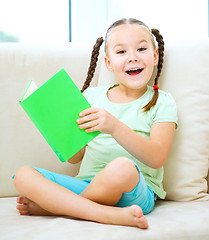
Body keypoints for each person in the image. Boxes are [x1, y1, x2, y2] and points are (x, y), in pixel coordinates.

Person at [13, 18, 178, 229]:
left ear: (154, 56)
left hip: (135, 189)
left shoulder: (162, 101)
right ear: (108, 63)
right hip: (86, 184)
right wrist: (56, 128)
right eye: (121, 52)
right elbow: (75, 158)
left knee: (122, 167)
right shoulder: (91, 96)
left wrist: (114, 126)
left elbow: (157, 158)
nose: (133, 58)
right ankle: (103, 212)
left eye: (141, 49)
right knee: (23, 175)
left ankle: (57, 207)